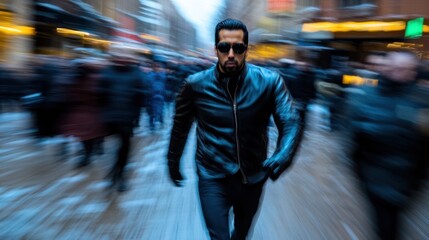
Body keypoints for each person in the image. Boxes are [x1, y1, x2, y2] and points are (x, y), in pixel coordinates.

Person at [167, 18, 302, 240]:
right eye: (224, 47)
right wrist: (172, 162)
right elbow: (180, 127)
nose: (231, 54)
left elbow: (290, 120)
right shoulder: (194, 85)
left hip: (253, 177)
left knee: (240, 234)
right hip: (212, 175)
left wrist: (284, 153)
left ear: (246, 49)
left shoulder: (270, 82)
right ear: (216, 49)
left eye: (238, 48)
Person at [346, 50, 429, 240]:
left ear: (414, 71)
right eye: (396, 68)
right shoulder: (366, 96)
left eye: (407, 69)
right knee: (386, 227)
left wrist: (420, 178)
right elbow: (353, 140)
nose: (400, 73)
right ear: (387, 68)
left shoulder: (422, 100)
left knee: (392, 223)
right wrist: (360, 172)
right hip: (376, 178)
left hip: (408, 180)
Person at [98, 46, 144, 192]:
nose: (122, 59)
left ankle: (120, 175)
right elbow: (100, 95)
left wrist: (136, 114)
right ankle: (114, 173)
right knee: (111, 148)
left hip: (127, 117)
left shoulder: (137, 73)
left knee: (124, 148)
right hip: (110, 117)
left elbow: (142, 95)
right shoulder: (107, 72)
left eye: (126, 56)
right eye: (119, 56)